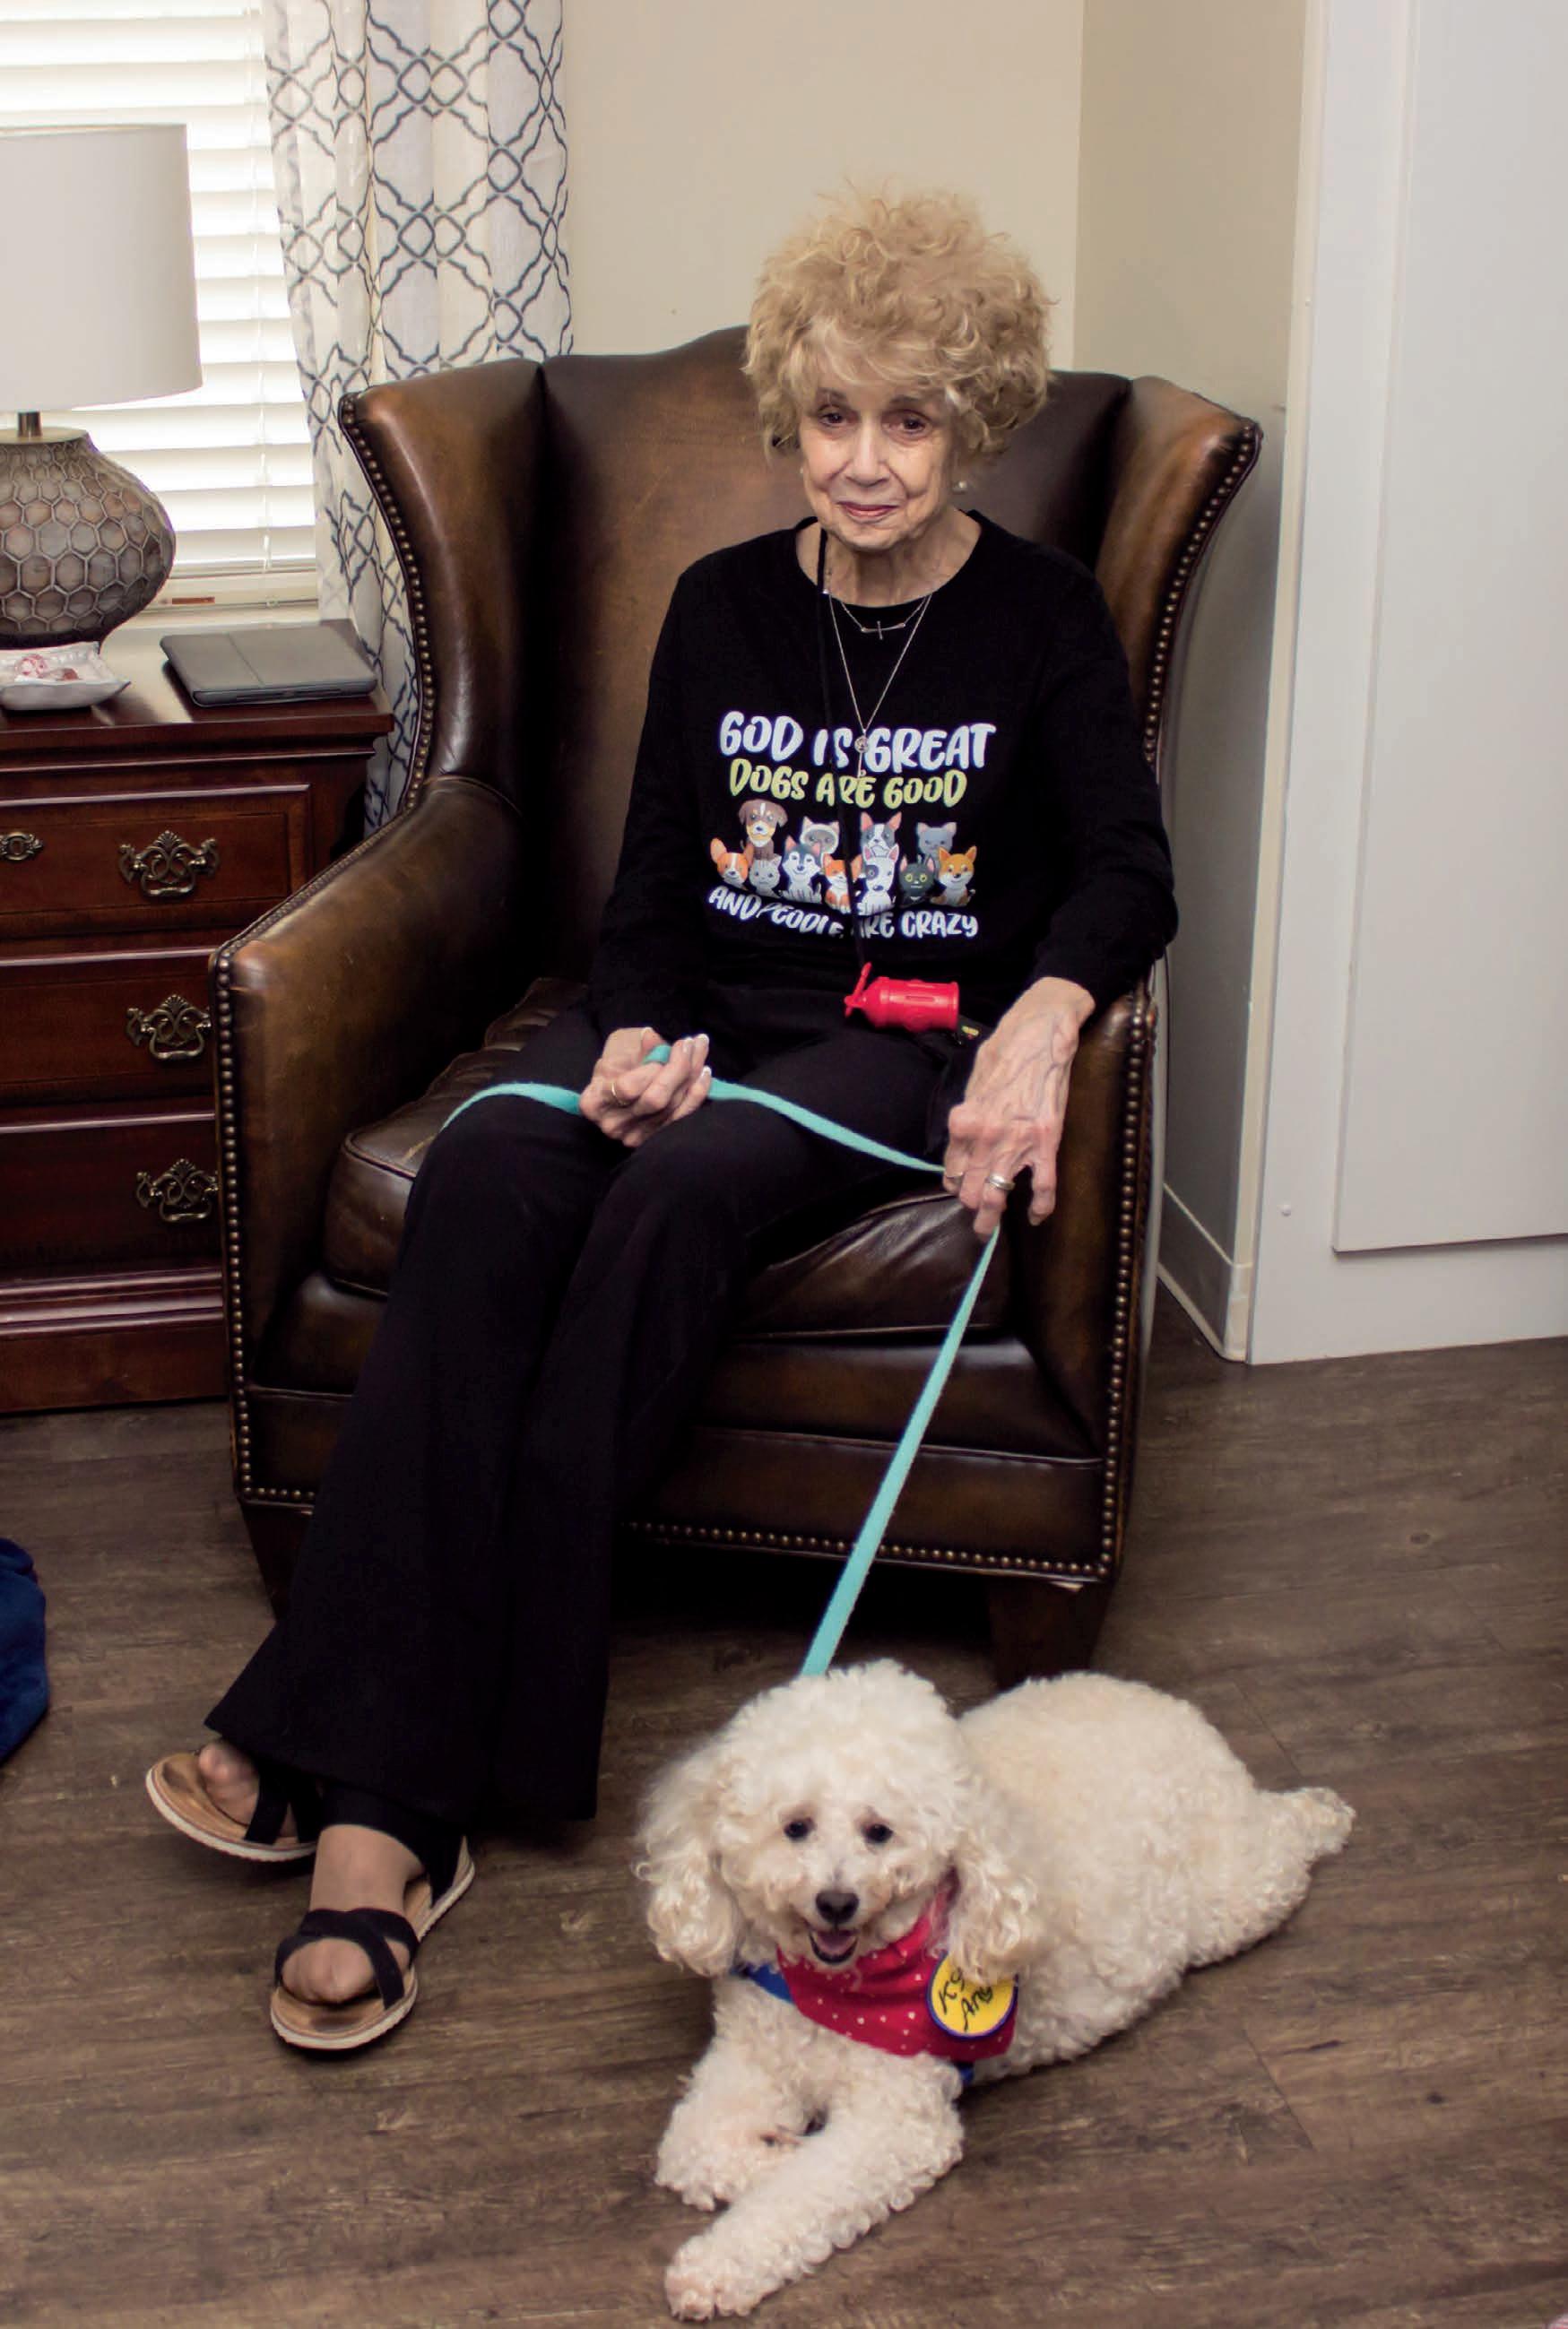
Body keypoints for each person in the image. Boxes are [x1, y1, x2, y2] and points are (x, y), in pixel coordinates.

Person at [146, 187, 1176, 2050]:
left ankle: (382, 1803)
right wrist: (628, 1037)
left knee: (686, 1189)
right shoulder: (721, 607)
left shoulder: (1035, 620)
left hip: (896, 1045)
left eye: (910, 420)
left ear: (970, 423)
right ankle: (398, 1753)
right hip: (714, 1020)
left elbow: (1126, 871)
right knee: (491, 1162)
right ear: (791, 413)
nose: (864, 461)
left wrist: (1034, 1028)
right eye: (832, 415)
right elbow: (647, 899)